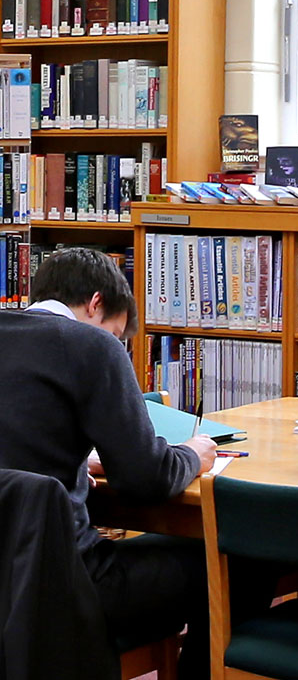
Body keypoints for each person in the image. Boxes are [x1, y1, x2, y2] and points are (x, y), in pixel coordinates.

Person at [0, 248, 217, 678]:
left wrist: (76, 468)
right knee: (223, 563)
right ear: (96, 303)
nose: (115, 343)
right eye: (117, 334)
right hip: (64, 582)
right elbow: (146, 479)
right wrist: (194, 454)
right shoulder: (92, 345)